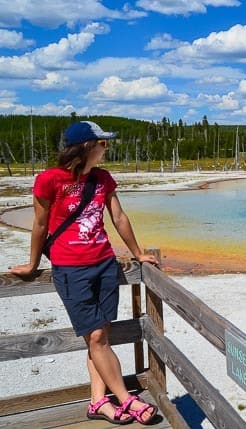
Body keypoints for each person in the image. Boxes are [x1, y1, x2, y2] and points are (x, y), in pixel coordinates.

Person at [11, 121, 159, 425]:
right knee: (95, 335)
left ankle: (96, 403)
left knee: (99, 336)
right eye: (102, 143)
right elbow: (39, 225)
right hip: (70, 268)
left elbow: (118, 217)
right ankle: (126, 398)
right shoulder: (49, 180)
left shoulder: (103, 179)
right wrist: (33, 263)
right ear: (85, 147)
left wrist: (137, 253)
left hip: (104, 264)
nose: (107, 148)